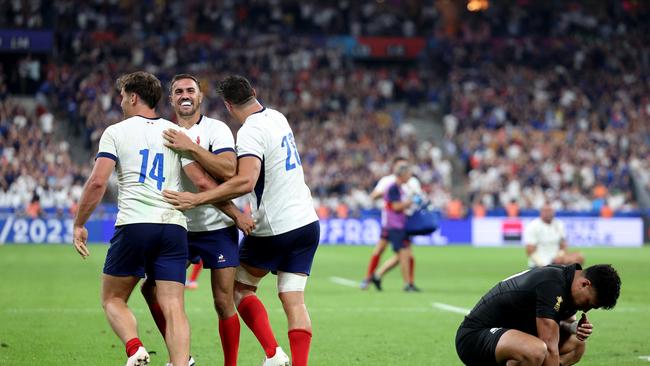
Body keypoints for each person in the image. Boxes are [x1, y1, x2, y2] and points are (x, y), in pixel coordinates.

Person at [163, 75, 320, 366]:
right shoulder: (277, 117)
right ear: (254, 93)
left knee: (238, 289)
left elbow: (246, 181)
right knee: (293, 299)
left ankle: (273, 354)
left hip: (276, 227)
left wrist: (197, 199)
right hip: (307, 222)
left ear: (227, 104)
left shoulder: (249, 132)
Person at [72, 71, 193, 366]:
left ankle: (136, 348)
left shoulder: (117, 131)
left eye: (123, 96)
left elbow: (98, 182)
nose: (122, 101)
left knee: (113, 298)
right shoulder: (176, 132)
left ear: (134, 97)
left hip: (136, 223)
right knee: (174, 305)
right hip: (174, 225)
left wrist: (79, 223)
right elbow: (196, 179)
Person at [140, 73, 254, 366]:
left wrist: (190, 146)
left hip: (218, 227)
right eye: (178, 91)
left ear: (200, 96)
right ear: (171, 99)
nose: (185, 95)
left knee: (223, 302)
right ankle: (181, 358)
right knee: (150, 289)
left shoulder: (217, 129)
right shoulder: (162, 132)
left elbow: (229, 170)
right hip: (178, 228)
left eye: (190, 90)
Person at [456, 263, 621, 366]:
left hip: (506, 337)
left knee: (577, 345)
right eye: (588, 303)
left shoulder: (570, 281)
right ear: (585, 284)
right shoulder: (552, 285)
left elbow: (559, 324)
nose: (586, 310)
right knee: (536, 351)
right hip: (474, 337)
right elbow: (549, 346)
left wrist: (573, 327)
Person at [361, 157, 421, 291]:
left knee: (404, 254)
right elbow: (386, 201)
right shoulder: (390, 183)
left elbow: (418, 197)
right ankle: (371, 277)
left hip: (402, 222)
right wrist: (408, 201)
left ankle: (378, 276)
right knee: (390, 251)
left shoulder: (410, 183)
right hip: (392, 223)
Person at [524, 203, 585, 268]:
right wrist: (542, 264)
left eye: (550, 211)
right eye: (546, 211)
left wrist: (560, 255)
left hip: (556, 260)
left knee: (579, 257)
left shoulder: (559, 224)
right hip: (539, 263)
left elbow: (563, 245)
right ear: (541, 212)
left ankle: (569, 276)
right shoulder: (533, 226)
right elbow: (530, 250)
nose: (549, 213)